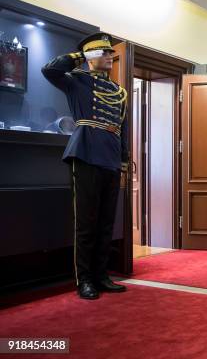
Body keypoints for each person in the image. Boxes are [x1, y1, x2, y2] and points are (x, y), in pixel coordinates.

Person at [41, 32, 129, 299]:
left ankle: (102, 275)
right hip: (86, 151)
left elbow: (121, 128)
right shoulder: (77, 81)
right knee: (86, 222)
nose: (109, 57)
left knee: (105, 222)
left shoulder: (119, 92)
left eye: (109, 53)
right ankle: (85, 279)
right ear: (90, 57)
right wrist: (80, 56)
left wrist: (124, 160)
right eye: (102, 53)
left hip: (111, 156)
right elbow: (50, 69)